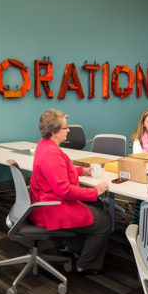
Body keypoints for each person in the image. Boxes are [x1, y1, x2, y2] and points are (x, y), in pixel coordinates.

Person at [29, 109, 111, 274]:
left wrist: (82, 171)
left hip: (42, 202)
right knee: (104, 221)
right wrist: (94, 191)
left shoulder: (44, 145)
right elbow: (65, 190)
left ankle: (72, 246)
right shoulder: (51, 153)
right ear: (54, 132)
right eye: (65, 128)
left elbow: (60, 169)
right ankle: (85, 265)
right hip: (52, 208)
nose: (69, 130)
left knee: (96, 205)